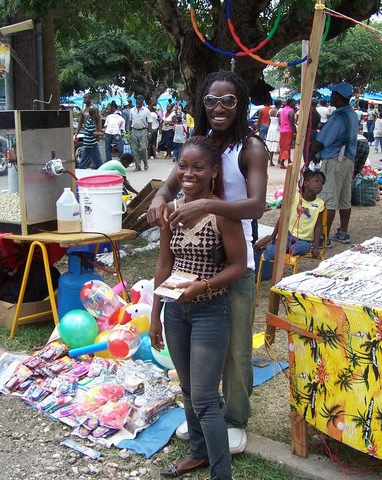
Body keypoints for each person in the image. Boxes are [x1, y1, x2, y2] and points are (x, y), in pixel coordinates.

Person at [148, 70, 268, 455]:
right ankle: (205, 414)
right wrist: (157, 198)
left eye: (228, 101)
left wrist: (206, 204)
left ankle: (234, 418)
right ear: (202, 103)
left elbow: (256, 205)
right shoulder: (201, 144)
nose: (219, 108)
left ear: (240, 104)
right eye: (211, 100)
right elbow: (171, 183)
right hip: (194, 262)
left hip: (236, 258)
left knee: (235, 346)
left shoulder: (250, 148)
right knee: (199, 344)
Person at [150, 136, 246, 480]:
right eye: (183, 166)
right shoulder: (171, 210)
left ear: (213, 171)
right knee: (188, 390)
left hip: (210, 310)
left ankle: (222, 474)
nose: (189, 173)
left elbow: (239, 266)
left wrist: (202, 286)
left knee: (205, 399)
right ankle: (197, 454)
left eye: (198, 167)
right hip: (177, 311)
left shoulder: (220, 213)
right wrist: (155, 315)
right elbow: (164, 263)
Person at [311, 82, 358, 247]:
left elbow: (322, 141)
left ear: (339, 96)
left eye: (333, 94)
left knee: (328, 199)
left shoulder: (338, 117)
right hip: (347, 161)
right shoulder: (352, 115)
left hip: (335, 161)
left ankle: (324, 236)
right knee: (344, 199)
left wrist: (312, 153)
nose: (331, 97)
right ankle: (343, 232)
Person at [255, 169, 325, 281]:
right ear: (306, 183)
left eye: (322, 183)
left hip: (304, 241)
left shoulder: (320, 204)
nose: (320, 184)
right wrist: (272, 237)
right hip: (288, 235)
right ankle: (270, 247)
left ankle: (273, 249)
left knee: (302, 247)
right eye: (317, 181)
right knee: (280, 248)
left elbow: (318, 227)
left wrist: (316, 247)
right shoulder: (294, 197)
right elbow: (283, 217)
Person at [76, 94, 103, 169]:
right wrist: (76, 133)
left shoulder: (95, 108)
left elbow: (98, 121)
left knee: (91, 153)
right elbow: (81, 122)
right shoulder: (83, 109)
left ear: (90, 99)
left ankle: (94, 167)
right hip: (88, 134)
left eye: (86, 98)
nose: (84, 99)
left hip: (92, 134)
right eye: (83, 98)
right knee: (93, 154)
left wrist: (98, 133)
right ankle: (98, 167)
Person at [129, 95, 151, 171]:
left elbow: (150, 122)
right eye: (136, 100)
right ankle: (138, 166)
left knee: (143, 148)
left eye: (138, 100)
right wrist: (129, 132)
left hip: (143, 130)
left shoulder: (146, 110)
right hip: (134, 130)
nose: (137, 101)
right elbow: (130, 121)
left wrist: (149, 133)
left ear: (142, 101)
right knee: (134, 149)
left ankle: (145, 163)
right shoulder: (132, 110)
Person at [278, 98, 296, 169]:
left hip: (282, 130)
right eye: (294, 102)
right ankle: (282, 163)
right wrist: (295, 132)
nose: (294, 104)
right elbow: (292, 123)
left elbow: (279, 121)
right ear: (290, 103)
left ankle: (289, 160)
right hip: (288, 130)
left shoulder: (282, 110)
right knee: (287, 146)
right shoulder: (291, 111)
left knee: (284, 146)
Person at [265, 99, 281, 166]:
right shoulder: (279, 112)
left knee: (271, 144)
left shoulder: (270, 111)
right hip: (276, 128)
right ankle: (279, 161)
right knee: (278, 144)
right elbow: (280, 122)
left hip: (271, 128)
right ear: (279, 104)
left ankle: (271, 161)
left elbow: (269, 121)